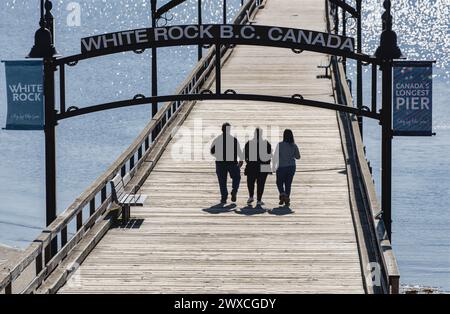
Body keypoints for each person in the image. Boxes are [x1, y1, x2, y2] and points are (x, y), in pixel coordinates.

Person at [210, 123, 244, 204]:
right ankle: (234, 190)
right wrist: (241, 160)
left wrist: (218, 155)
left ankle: (224, 197)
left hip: (220, 163)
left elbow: (212, 151)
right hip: (232, 163)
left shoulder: (217, 139)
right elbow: (239, 151)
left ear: (222, 129)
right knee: (237, 177)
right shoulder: (234, 140)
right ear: (229, 130)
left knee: (222, 181)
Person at [244, 128, 272, 206]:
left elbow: (245, 155)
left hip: (251, 166)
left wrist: (248, 162)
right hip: (263, 166)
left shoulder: (249, 143)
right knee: (261, 183)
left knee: (250, 182)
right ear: (261, 134)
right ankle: (259, 200)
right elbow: (269, 156)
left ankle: (251, 196)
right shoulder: (266, 144)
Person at [273, 129, 301, 207]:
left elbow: (275, 156)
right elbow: (298, 157)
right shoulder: (294, 145)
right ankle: (287, 198)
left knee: (279, 182)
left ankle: (282, 195)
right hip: (291, 167)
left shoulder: (280, 145)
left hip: (282, 166)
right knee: (288, 183)